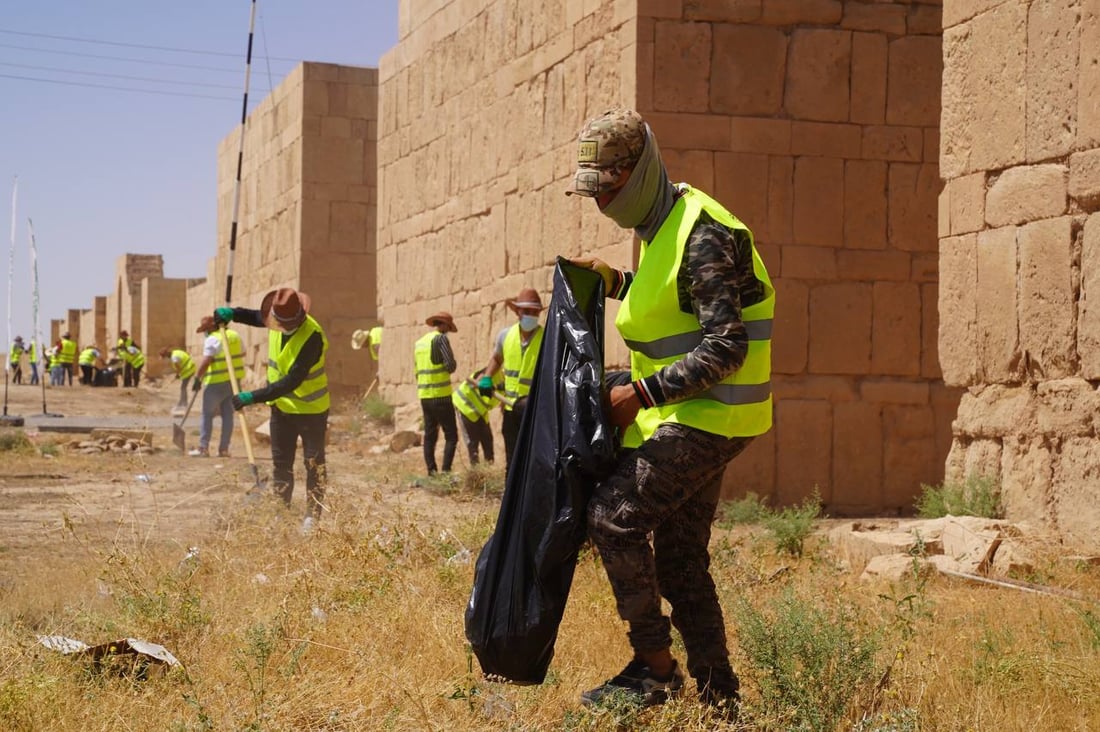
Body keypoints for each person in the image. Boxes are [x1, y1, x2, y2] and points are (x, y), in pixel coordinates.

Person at [565, 108, 775, 716]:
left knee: (613, 518)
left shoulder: (703, 229)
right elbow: (678, 304)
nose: (602, 201)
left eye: (610, 185)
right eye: (594, 190)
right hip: (692, 415)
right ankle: (720, 702)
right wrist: (614, 283)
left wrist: (641, 394)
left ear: (641, 170)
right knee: (682, 561)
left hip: (711, 417)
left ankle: (654, 671)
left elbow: (726, 344)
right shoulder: (662, 229)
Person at [214, 287, 329, 534]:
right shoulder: (277, 320)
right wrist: (231, 313)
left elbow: (292, 381)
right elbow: (257, 317)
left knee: (314, 465)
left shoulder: (313, 336)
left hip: (311, 411)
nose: (278, 325)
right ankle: (281, 514)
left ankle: (312, 517)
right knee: (281, 466)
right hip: (281, 411)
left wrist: (252, 396)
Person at [478, 287, 545, 472]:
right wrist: (487, 377)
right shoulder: (505, 335)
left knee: (533, 461)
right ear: (517, 312)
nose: (530, 315)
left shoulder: (546, 338)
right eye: (526, 311)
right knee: (512, 460)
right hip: (510, 409)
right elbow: (497, 358)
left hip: (534, 410)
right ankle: (511, 498)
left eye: (534, 311)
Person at [189, 316, 245, 459]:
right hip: (233, 382)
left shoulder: (212, 339)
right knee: (228, 415)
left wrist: (197, 378)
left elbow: (206, 361)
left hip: (216, 382)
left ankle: (203, 448)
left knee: (207, 414)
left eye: (205, 330)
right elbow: (243, 352)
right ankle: (223, 449)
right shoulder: (235, 335)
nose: (205, 333)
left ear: (211, 328)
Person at [415, 312, 458, 475]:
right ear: (445, 325)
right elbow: (450, 366)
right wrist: (454, 363)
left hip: (425, 396)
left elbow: (416, 371)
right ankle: (446, 472)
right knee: (451, 436)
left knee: (430, 436)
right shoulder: (440, 339)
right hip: (441, 395)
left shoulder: (419, 343)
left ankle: (431, 472)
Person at [452, 368, 496, 465]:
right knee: (472, 443)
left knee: (488, 440)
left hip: (480, 411)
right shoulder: (494, 372)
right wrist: (487, 384)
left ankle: (489, 469)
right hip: (465, 405)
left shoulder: (508, 386)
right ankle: (475, 473)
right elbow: (476, 381)